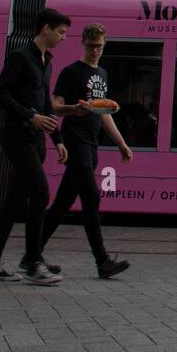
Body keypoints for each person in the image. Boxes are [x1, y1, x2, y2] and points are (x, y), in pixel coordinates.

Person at [0, 8, 71, 285]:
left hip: (36, 140)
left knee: (13, 203)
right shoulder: (20, 57)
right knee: (41, 193)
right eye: (61, 32)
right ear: (46, 29)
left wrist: (57, 140)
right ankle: (32, 261)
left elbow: (45, 104)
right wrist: (29, 115)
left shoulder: (47, 61)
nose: (63, 37)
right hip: (17, 137)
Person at [39, 23, 132, 280]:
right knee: (91, 199)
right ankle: (102, 261)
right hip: (75, 141)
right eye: (92, 46)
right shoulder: (71, 72)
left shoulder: (102, 73)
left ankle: (32, 253)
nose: (95, 51)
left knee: (61, 205)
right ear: (83, 43)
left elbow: (104, 113)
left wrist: (121, 144)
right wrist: (73, 109)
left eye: (100, 46)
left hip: (91, 145)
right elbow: (54, 106)